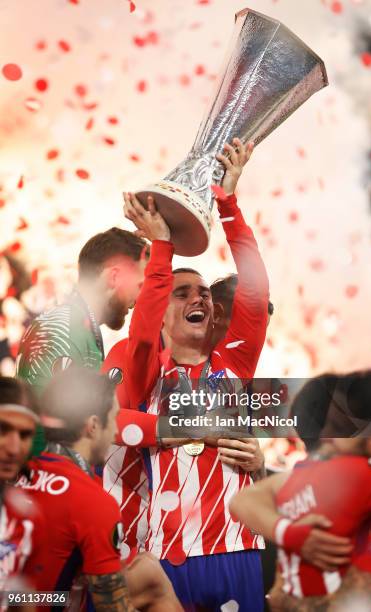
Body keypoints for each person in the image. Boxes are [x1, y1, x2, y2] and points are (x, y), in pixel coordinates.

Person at [112, 137, 269, 611]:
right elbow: (141, 330)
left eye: (203, 292)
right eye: (181, 294)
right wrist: (162, 247)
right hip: (167, 558)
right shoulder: (145, 371)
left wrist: (228, 201)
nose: (198, 298)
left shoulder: (234, 366)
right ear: (160, 311)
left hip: (235, 551)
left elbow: (256, 293)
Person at [229, 371, 371, 610]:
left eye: (338, 428)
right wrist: (291, 534)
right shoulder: (322, 475)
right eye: (326, 426)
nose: (326, 437)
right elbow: (245, 500)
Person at [16, 366, 181, 612]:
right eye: (113, 419)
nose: (116, 430)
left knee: (144, 566)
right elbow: (112, 608)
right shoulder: (92, 501)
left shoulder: (19, 476)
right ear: (93, 426)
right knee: (150, 575)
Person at [16, 227, 149, 455]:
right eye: (140, 286)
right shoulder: (67, 328)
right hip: (49, 482)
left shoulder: (76, 325)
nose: (140, 299)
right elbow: (84, 423)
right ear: (114, 277)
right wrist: (192, 428)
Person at [0, 377, 44, 597]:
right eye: (3, 430)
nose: (14, 448)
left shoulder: (24, 514)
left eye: (25, 435)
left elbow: (21, 596)